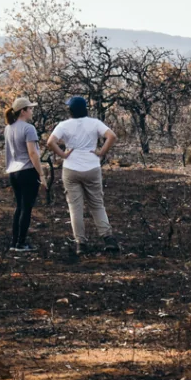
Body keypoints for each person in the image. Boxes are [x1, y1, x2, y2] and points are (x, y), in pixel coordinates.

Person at [46, 96, 120, 259]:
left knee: (75, 207)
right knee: (97, 204)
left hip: (71, 168)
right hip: (92, 167)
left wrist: (63, 154)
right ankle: (108, 238)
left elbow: (50, 142)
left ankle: (81, 243)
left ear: (70, 110)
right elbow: (112, 136)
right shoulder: (94, 123)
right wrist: (101, 152)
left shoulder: (64, 125)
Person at [4, 97, 47, 252]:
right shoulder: (29, 129)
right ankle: (21, 243)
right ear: (23, 111)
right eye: (30, 108)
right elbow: (32, 153)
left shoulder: (8, 128)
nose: (32, 111)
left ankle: (15, 242)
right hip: (28, 171)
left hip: (13, 171)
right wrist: (41, 174)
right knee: (26, 208)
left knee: (19, 207)